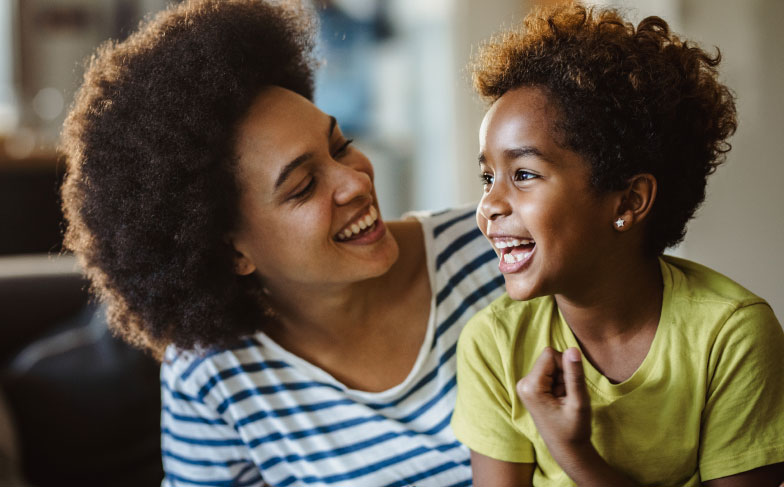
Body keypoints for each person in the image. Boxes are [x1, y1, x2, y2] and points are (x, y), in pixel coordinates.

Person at [58, 0, 505, 485]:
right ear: (233, 252)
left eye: (340, 146)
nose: (354, 182)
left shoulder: (500, 249)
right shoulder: (214, 373)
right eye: (303, 187)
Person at [450, 3, 784, 486]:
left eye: (523, 174)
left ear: (628, 200)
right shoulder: (494, 345)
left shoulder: (730, 337)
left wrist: (573, 452)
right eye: (487, 177)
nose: (490, 205)